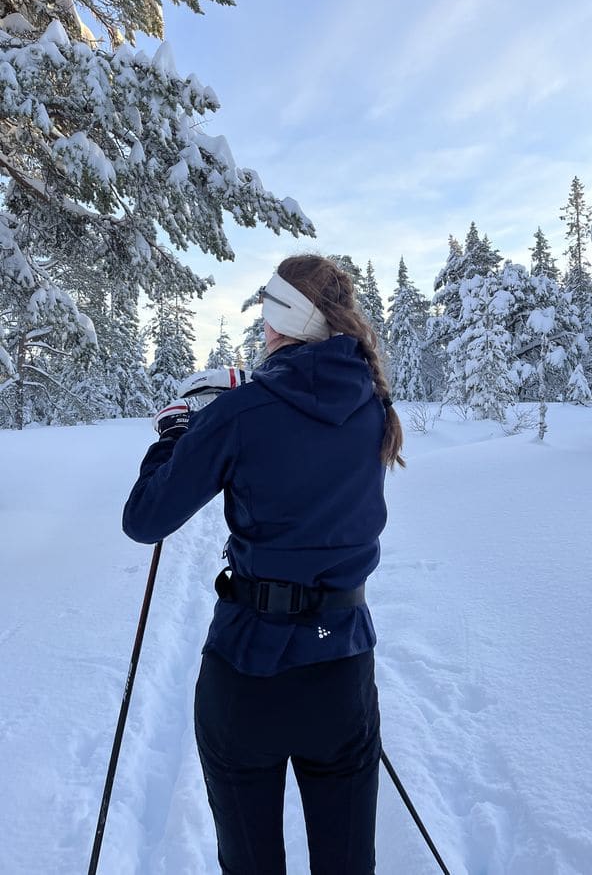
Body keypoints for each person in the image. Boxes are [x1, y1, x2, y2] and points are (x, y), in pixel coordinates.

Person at [122, 254, 404, 875]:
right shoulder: (373, 404)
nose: (262, 333)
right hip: (343, 666)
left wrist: (174, 436)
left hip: (250, 672)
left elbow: (145, 518)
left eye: (267, 321)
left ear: (283, 324)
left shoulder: (242, 410)